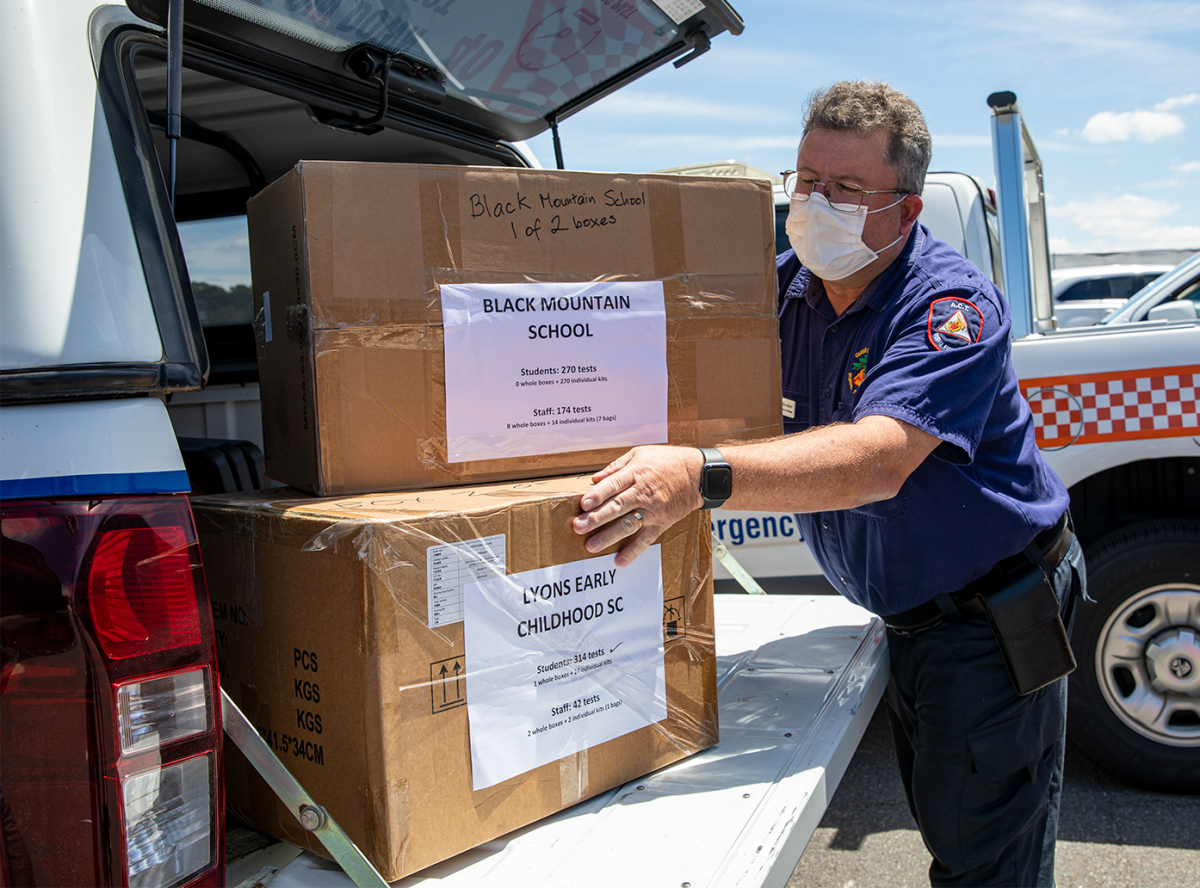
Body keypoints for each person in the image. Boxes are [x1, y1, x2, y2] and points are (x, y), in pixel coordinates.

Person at [570, 81, 1083, 888]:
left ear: (907, 212)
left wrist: (697, 478)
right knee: (948, 818)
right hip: (908, 615)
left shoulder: (948, 306)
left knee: (987, 862)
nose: (816, 203)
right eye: (806, 181)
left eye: (846, 189)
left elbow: (880, 459)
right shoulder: (783, 291)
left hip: (989, 616)